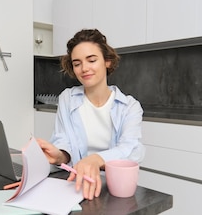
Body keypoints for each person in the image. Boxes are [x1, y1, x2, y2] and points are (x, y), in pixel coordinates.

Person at [37, 29, 145, 200]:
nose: (84, 68)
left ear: (107, 61)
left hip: (114, 189)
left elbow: (131, 150)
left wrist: (96, 159)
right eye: (77, 63)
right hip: (75, 186)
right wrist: (60, 155)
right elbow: (63, 139)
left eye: (92, 60)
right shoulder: (67, 98)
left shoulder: (129, 106)